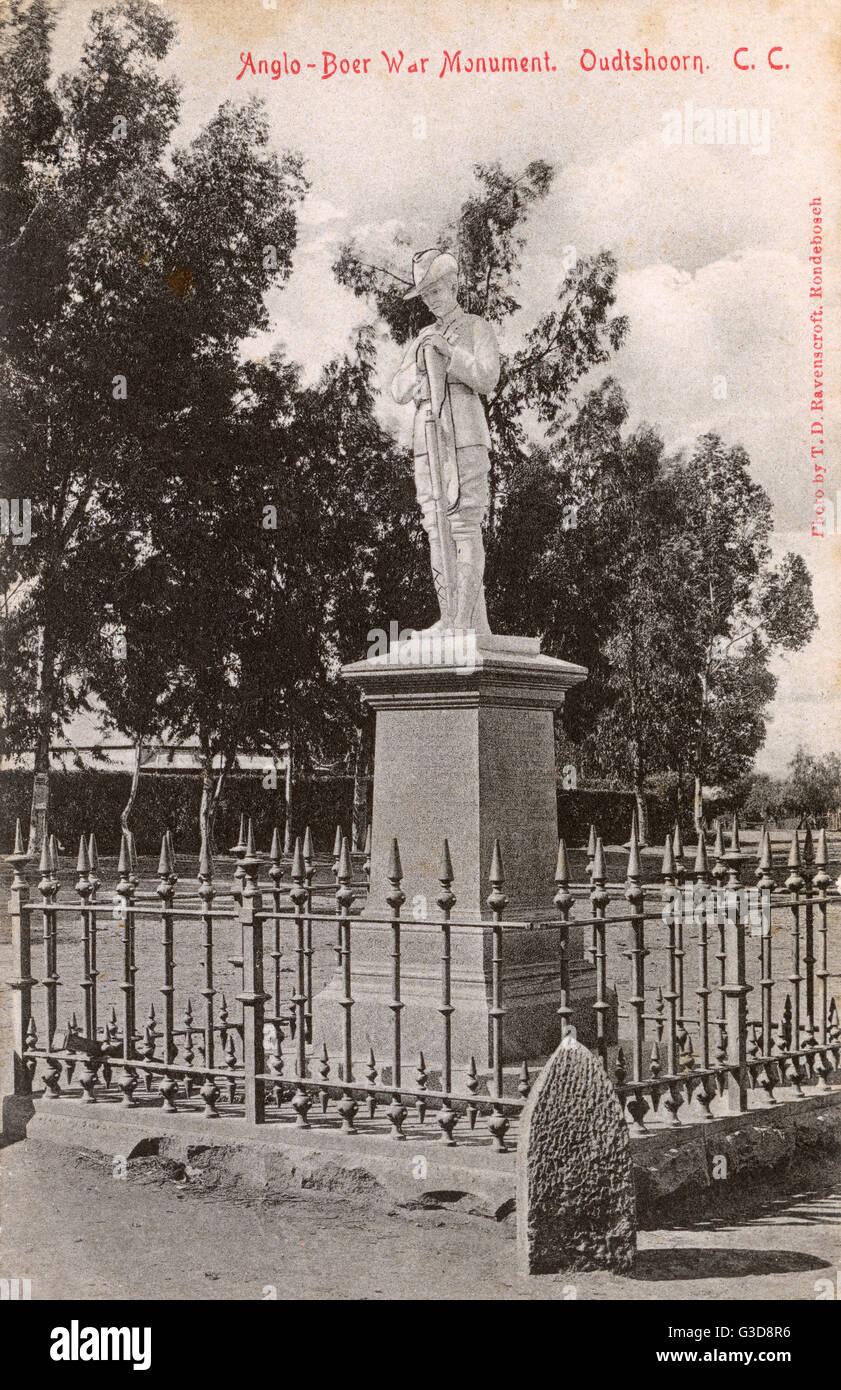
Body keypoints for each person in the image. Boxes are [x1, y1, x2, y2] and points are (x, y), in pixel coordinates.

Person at [391, 248, 500, 633]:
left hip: (466, 438)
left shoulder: (475, 327)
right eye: (425, 294)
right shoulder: (422, 337)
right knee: (434, 527)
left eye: (436, 290)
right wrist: (422, 369)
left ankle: (466, 620)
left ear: (453, 285)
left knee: (464, 524)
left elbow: (487, 377)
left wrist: (449, 355)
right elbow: (398, 388)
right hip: (427, 440)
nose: (431, 300)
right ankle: (450, 615)